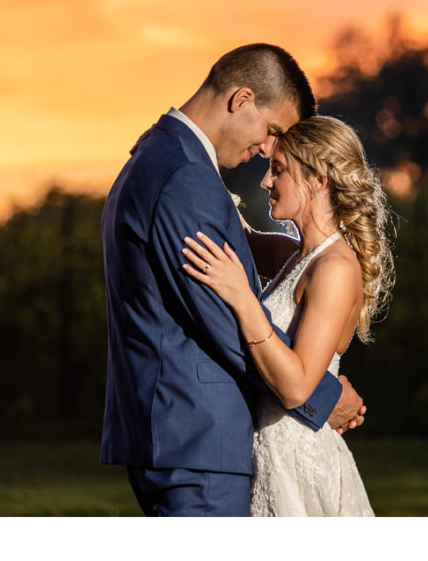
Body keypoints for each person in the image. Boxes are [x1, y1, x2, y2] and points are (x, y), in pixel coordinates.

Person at [101, 44, 366, 517]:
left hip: (191, 436)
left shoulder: (167, 158)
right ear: (241, 98)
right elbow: (224, 322)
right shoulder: (184, 176)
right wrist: (325, 396)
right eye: (272, 131)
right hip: (196, 438)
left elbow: (279, 260)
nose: (267, 151)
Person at [182, 115, 391, 516]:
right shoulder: (291, 254)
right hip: (267, 449)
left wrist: (244, 300)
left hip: (298, 458)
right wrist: (186, 159)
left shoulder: (335, 268)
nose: (265, 182)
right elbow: (232, 228)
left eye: (278, 170)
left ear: (319, 181)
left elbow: (296, 387)